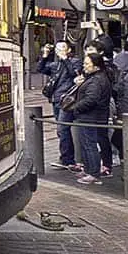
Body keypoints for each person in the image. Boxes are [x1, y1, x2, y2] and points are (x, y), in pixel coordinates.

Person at [69, 52, 113, 185]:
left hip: (91, 117)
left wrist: (75, 107)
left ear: (96, 66)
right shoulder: (94, 78)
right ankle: (89, 170)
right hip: (90, 116)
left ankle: (93, 172)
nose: (84, 66)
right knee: (87, 144)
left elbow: (91, 100)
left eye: (87, 64)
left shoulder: (97, 80)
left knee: (89, 145)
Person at [37, 40, 82, 169]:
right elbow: (41, 69)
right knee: (61, 130)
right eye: (57, 48)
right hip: (56, 99)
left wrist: (65, 59)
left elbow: (75, 73)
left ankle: (68, 160)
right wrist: (45, 55)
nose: (59, 50)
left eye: (62, 47)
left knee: (62, 129)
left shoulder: (74, 61)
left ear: (68, 50)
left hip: (67, 100)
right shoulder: (55, 64)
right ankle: (66, 158)